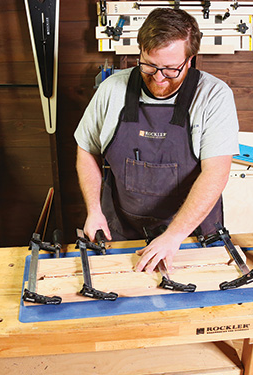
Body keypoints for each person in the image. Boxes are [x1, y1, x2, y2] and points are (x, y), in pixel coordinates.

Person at [75, 8, 239, 273]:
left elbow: (216, 173)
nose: (159, 78)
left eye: (171, 69)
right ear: (140, 51)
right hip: (122, 230)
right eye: (149, 65)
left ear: (190, 60)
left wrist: (174, 236)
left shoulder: (213, 96)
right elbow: (87, 150)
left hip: (189, 234)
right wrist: (94, 210)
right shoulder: (111, 90)